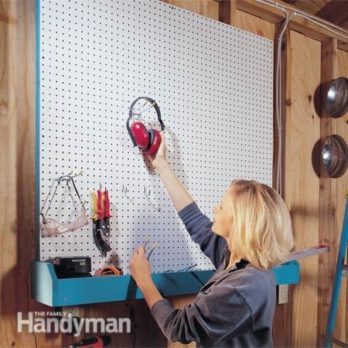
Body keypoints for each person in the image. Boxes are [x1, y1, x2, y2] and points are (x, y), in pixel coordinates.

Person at [130, 133, 294, 347]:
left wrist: (144, 281)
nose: (214, 209)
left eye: (222, 206)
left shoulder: (244, 287)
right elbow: (195, 220)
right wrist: (161, 165)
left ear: (241, 222)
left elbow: (178, 327)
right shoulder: (237, 260)